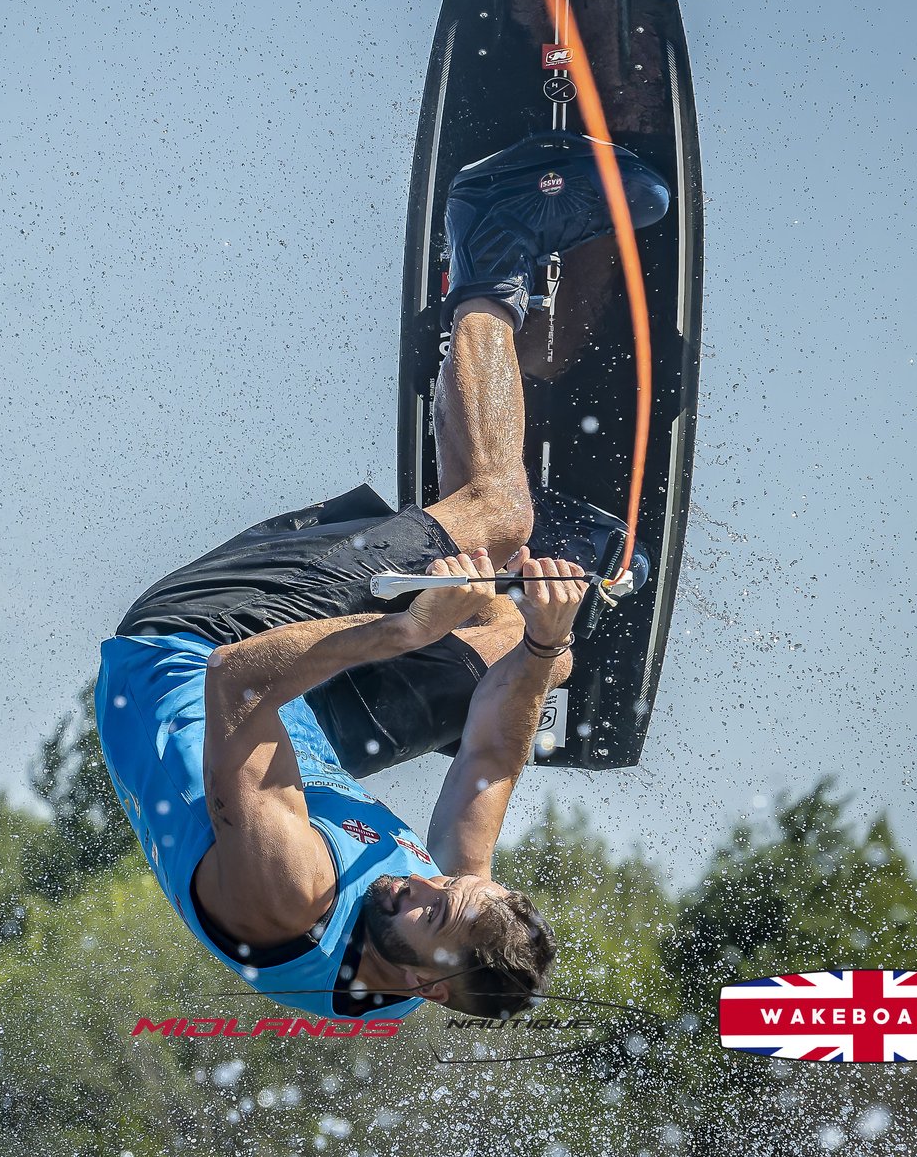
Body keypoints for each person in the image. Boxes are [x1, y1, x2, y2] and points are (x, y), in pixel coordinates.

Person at [94, 131, 670, 1019]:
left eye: (425, 907)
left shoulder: (289, 895)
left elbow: (237, 686)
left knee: (497, 510)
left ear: (428, 983)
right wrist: (548, 635)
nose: (421, 888)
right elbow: (486, 754)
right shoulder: (451, 927)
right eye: (448, 889)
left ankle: (490, 244)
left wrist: (406, 627)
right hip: (303, 723)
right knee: (527, 647)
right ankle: (486, 516)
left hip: (196, 641)